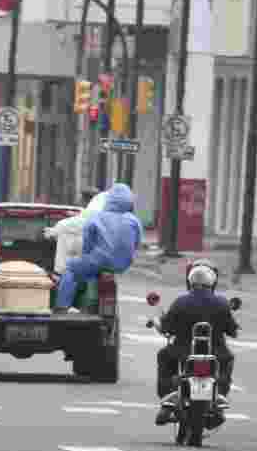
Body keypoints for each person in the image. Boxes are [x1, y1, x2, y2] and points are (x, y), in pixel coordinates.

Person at [154, 259, 238, 426]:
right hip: (216, 352)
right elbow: (232, 329)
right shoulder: (221, 303)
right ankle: (220, 393)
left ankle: (168, 394)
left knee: (163, 355)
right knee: (228, 360)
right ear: (212, 282)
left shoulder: (181, 302)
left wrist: (162, 326)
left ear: (190, 281)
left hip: (183, 350)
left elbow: (167, 327)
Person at [54, 183, 143, 312]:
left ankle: (61, 307)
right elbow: (136, 243)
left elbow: (88, 243)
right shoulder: (134, 221)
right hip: (122, 264)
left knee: (71, 269)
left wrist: (87, 257)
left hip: (100, 260)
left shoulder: (97, 218)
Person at [44, 190, 108, 275]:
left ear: (87, 200)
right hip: (98, 253)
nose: (79, 201)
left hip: (89, 252)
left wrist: (53, 231)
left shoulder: (93, 212)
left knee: (65, 236)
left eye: (81, 199)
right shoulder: (101, 208)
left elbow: (76, 224)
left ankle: (60, 273)